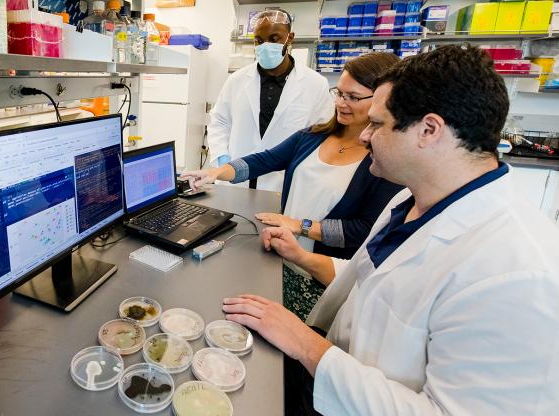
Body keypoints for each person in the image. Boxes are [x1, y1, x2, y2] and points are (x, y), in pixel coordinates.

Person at [223, 45, 559, 415]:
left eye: (378, 124)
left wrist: (306, 344)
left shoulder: (518, 275)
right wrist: (300, 255)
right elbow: (374, 283)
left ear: (429, 130)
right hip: (329, 382)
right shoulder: (413, 203)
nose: (364, 136)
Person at [184, 53, 403, 319]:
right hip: (278, 257)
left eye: (353, 97)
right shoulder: (313, 136)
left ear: (382, 99)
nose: (341, 103)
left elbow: (364, 230)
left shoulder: (384, 160)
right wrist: (217, 170)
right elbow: (264, 160)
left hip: (317, 276)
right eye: (339, 93)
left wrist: (301, 226)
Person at [207, 9, 334, 191]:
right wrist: (222, 158)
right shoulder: (237, 80)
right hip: (235, 179)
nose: (265, 45)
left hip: (281, 183)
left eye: (274, 39)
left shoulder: (315, 84)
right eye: (259, 40)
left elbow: (322, 135)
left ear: (289, 38)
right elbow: (219, 121)